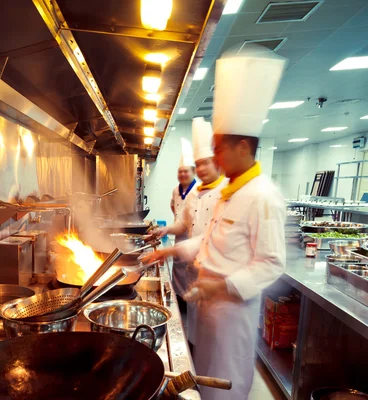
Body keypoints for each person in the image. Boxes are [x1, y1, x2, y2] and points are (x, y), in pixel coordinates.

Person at [144, 48, 287, 400]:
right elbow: (206, 240)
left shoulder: (263, 195)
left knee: (223, 389)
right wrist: (170, 249)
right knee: (202, 384)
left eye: (220, 149)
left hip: (230, 313)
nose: (216, 158)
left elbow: (271, 263)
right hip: (206, 304)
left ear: (242, 146)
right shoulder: (231, 193)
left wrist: (220, 288)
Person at [148, 117, 226, 350]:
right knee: (194, 329)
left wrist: (171, 250)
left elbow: (210, 238)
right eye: (198, 164)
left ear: (218, 164)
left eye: (205, 164)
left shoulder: (226, 194)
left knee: (214, 338)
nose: (201, 169)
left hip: (217, 278)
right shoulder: (195, 194)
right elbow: (182, 223)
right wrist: (165, 230)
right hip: (195, 271)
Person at [168, 138, 198, 310]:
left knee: (189, 268)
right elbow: (172, 204)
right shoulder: (175, 190)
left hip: (192, 236)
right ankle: (178, 298)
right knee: (178, 266)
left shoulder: (197, 192)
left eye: (186, 172)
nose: (182, 175)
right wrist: (177, 221)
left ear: (193, 172)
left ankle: (187, 302)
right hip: (179, 233)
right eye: (180, 172)